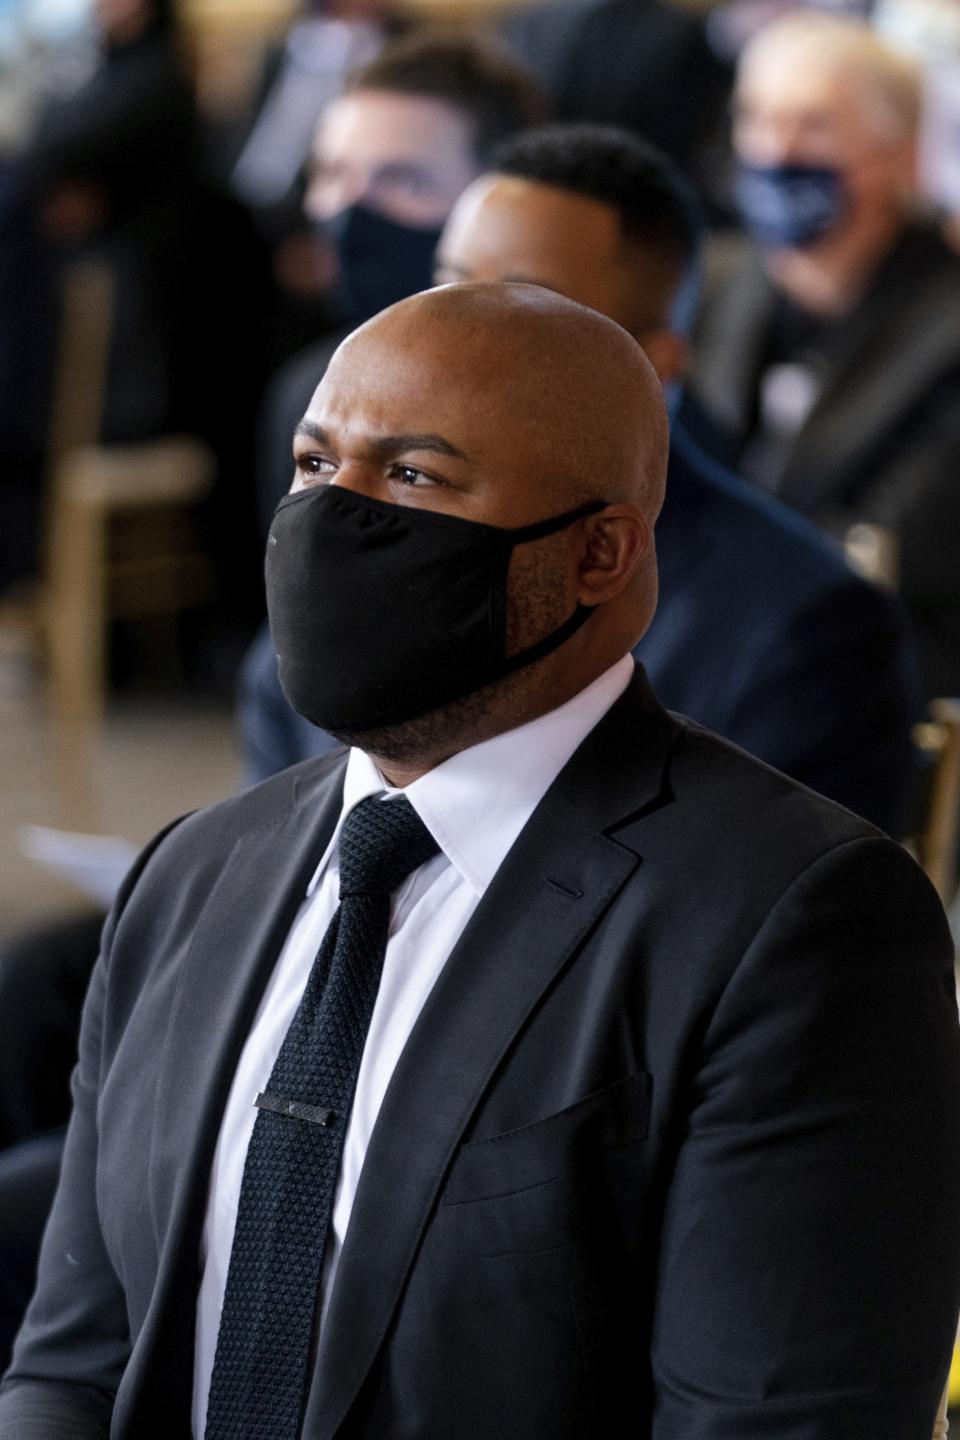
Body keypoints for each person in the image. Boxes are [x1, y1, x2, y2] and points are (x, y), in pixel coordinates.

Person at [2, 283, 958, 1439]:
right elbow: (73, 1362)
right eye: (315, 464)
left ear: (600, 552)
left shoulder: (791, 918)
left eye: (413, 477)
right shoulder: (196, 871)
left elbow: (779, 1418)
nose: (331, 519)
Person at [246, 124, 918, 836]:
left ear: (653, 365)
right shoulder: (338, 568)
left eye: (525, 305)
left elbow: (765, 907)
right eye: (450, 282)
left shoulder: (795, 629)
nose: (456, 327)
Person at [689, 11, 960, 698]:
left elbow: (901, 549)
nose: (775, 151)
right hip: (696, 669)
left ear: (897, 155)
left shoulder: (947, 318)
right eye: (757, 118)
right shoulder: (708, 283)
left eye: (813, 125)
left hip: (871, 678)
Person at [254, 29, 546, 534]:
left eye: (402, 180)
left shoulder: (552, 407)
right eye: (334, 174)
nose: (349, 212)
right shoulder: (307, 396)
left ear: (496, 203)